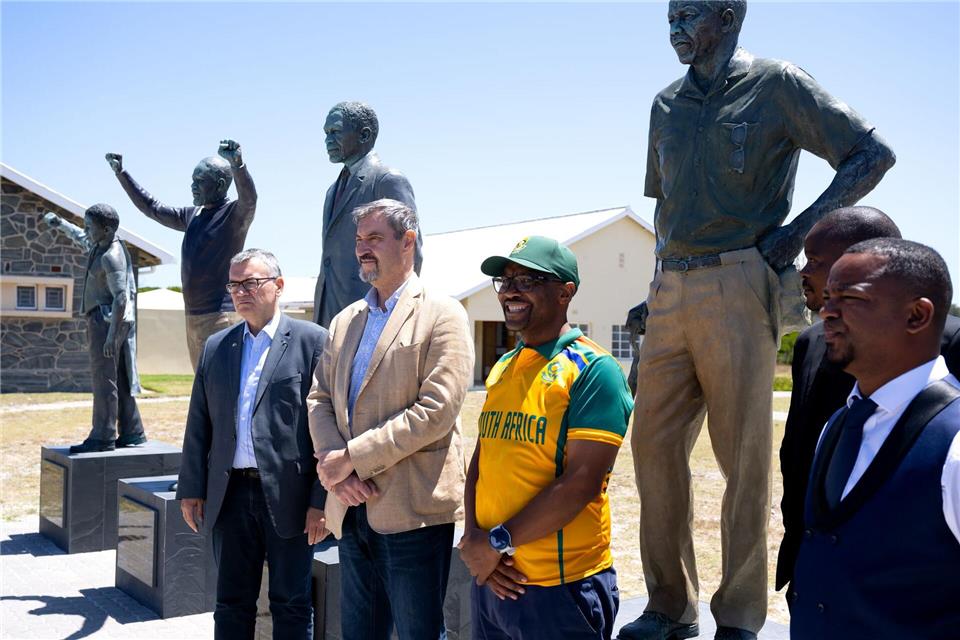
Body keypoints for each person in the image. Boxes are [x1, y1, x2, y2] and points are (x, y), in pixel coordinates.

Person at [621, 2, 896, 638]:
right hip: (670, 287)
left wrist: (795, 234)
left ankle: (740, 616)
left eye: (689, 14)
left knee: (743, 457)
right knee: (653, 450)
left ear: (728, 14)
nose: (675, 28)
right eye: (668, 17)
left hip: (740, 280)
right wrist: (653, 286)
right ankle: (667, 605)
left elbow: (870, 154)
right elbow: (667, 210)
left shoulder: (778, 85)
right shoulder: (665, 104)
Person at [307, 199, 473, 640]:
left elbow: (435, 412)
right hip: (351, 506)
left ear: (408, 242)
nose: (363, 249)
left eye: (375, 238)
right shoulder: (344, 321)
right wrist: (334, 466)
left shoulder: (444, 314)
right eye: (359, 240)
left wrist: (352, 459)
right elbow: (319, 398)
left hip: (412, 511)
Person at [776, 206, 960, 592]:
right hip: (814, 571)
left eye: (816, 259)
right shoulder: (811, 345)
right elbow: (798, 449)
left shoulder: (950, 343)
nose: (804, 271)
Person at [458, 236, 633, 640]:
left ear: (564, 292)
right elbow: (483, 463)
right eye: (505, 280)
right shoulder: (503, 366)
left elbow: (579, 485)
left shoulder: (594, 371)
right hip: (493, 579)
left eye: (528, 279)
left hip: (560, 592)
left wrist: (495, 543)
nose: (511, 291)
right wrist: (472, 541)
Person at [176, 249, 327, 639]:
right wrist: (191, 488)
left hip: (289, 497)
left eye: (251, 282)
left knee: (292, 602)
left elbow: (328, 428)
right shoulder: (216, 347)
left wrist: (320, 500)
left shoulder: (312, 341)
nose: (240, 292)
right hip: (229, 497)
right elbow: (199, 424)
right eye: (234, 284)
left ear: (278, 286)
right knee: (230, 603)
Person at [106, 140, 257, 370]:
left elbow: (249, 200)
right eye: (192, 181)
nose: (193, 186)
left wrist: (238, 165)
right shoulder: (193, 215)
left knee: (222, 389)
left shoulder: (233, 216)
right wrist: (122, 174)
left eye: (199, 181)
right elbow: (152, 208)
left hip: (221, 317)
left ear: (218, 184)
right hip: (193, 318)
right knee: (202, 390)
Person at [42, 206, 145, 453]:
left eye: (90, 226)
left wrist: (111, 337)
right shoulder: (100, 244)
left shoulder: (112, 255)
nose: (86, 230)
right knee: (119, 377)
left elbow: (121, 297)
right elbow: (80, 236)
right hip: (108, 319)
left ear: (107, 229)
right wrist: (61, 223)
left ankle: (103, 435)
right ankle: (133, 431)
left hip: (108, 321)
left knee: (104, 380)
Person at [311, 102, 422, 327]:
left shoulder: (387, 180)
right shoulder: (333, 190)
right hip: (330, 314)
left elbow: (412, 253)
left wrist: (390, 315)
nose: (327, 140)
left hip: (371, 316)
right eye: (326, 133)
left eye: (335, 132)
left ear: (364, 134)